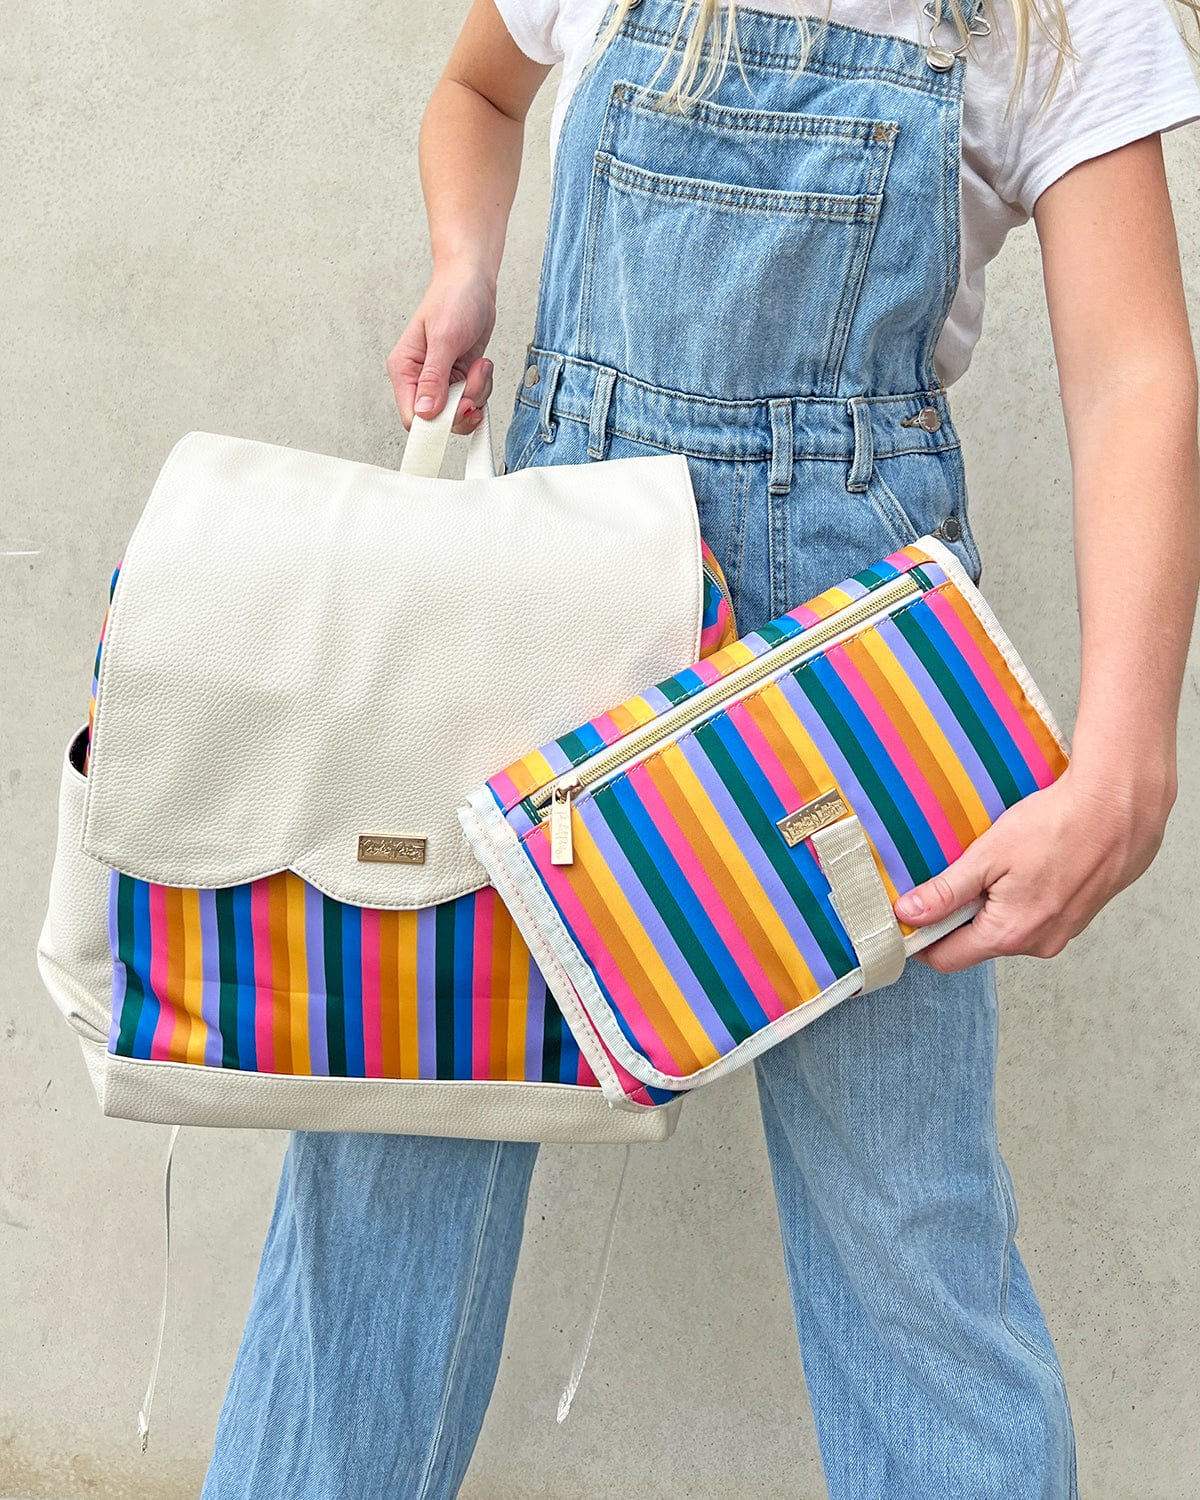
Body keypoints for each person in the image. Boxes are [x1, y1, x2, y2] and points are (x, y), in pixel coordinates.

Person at [201, 1, 1200, 1495]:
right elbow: (479, 90)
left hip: (851, 673)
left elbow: (1135, 375)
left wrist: (1127, 756)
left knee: (907, 1235)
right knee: (392, 1169)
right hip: (544, 615)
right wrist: (465, 267)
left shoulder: (1055, 14)